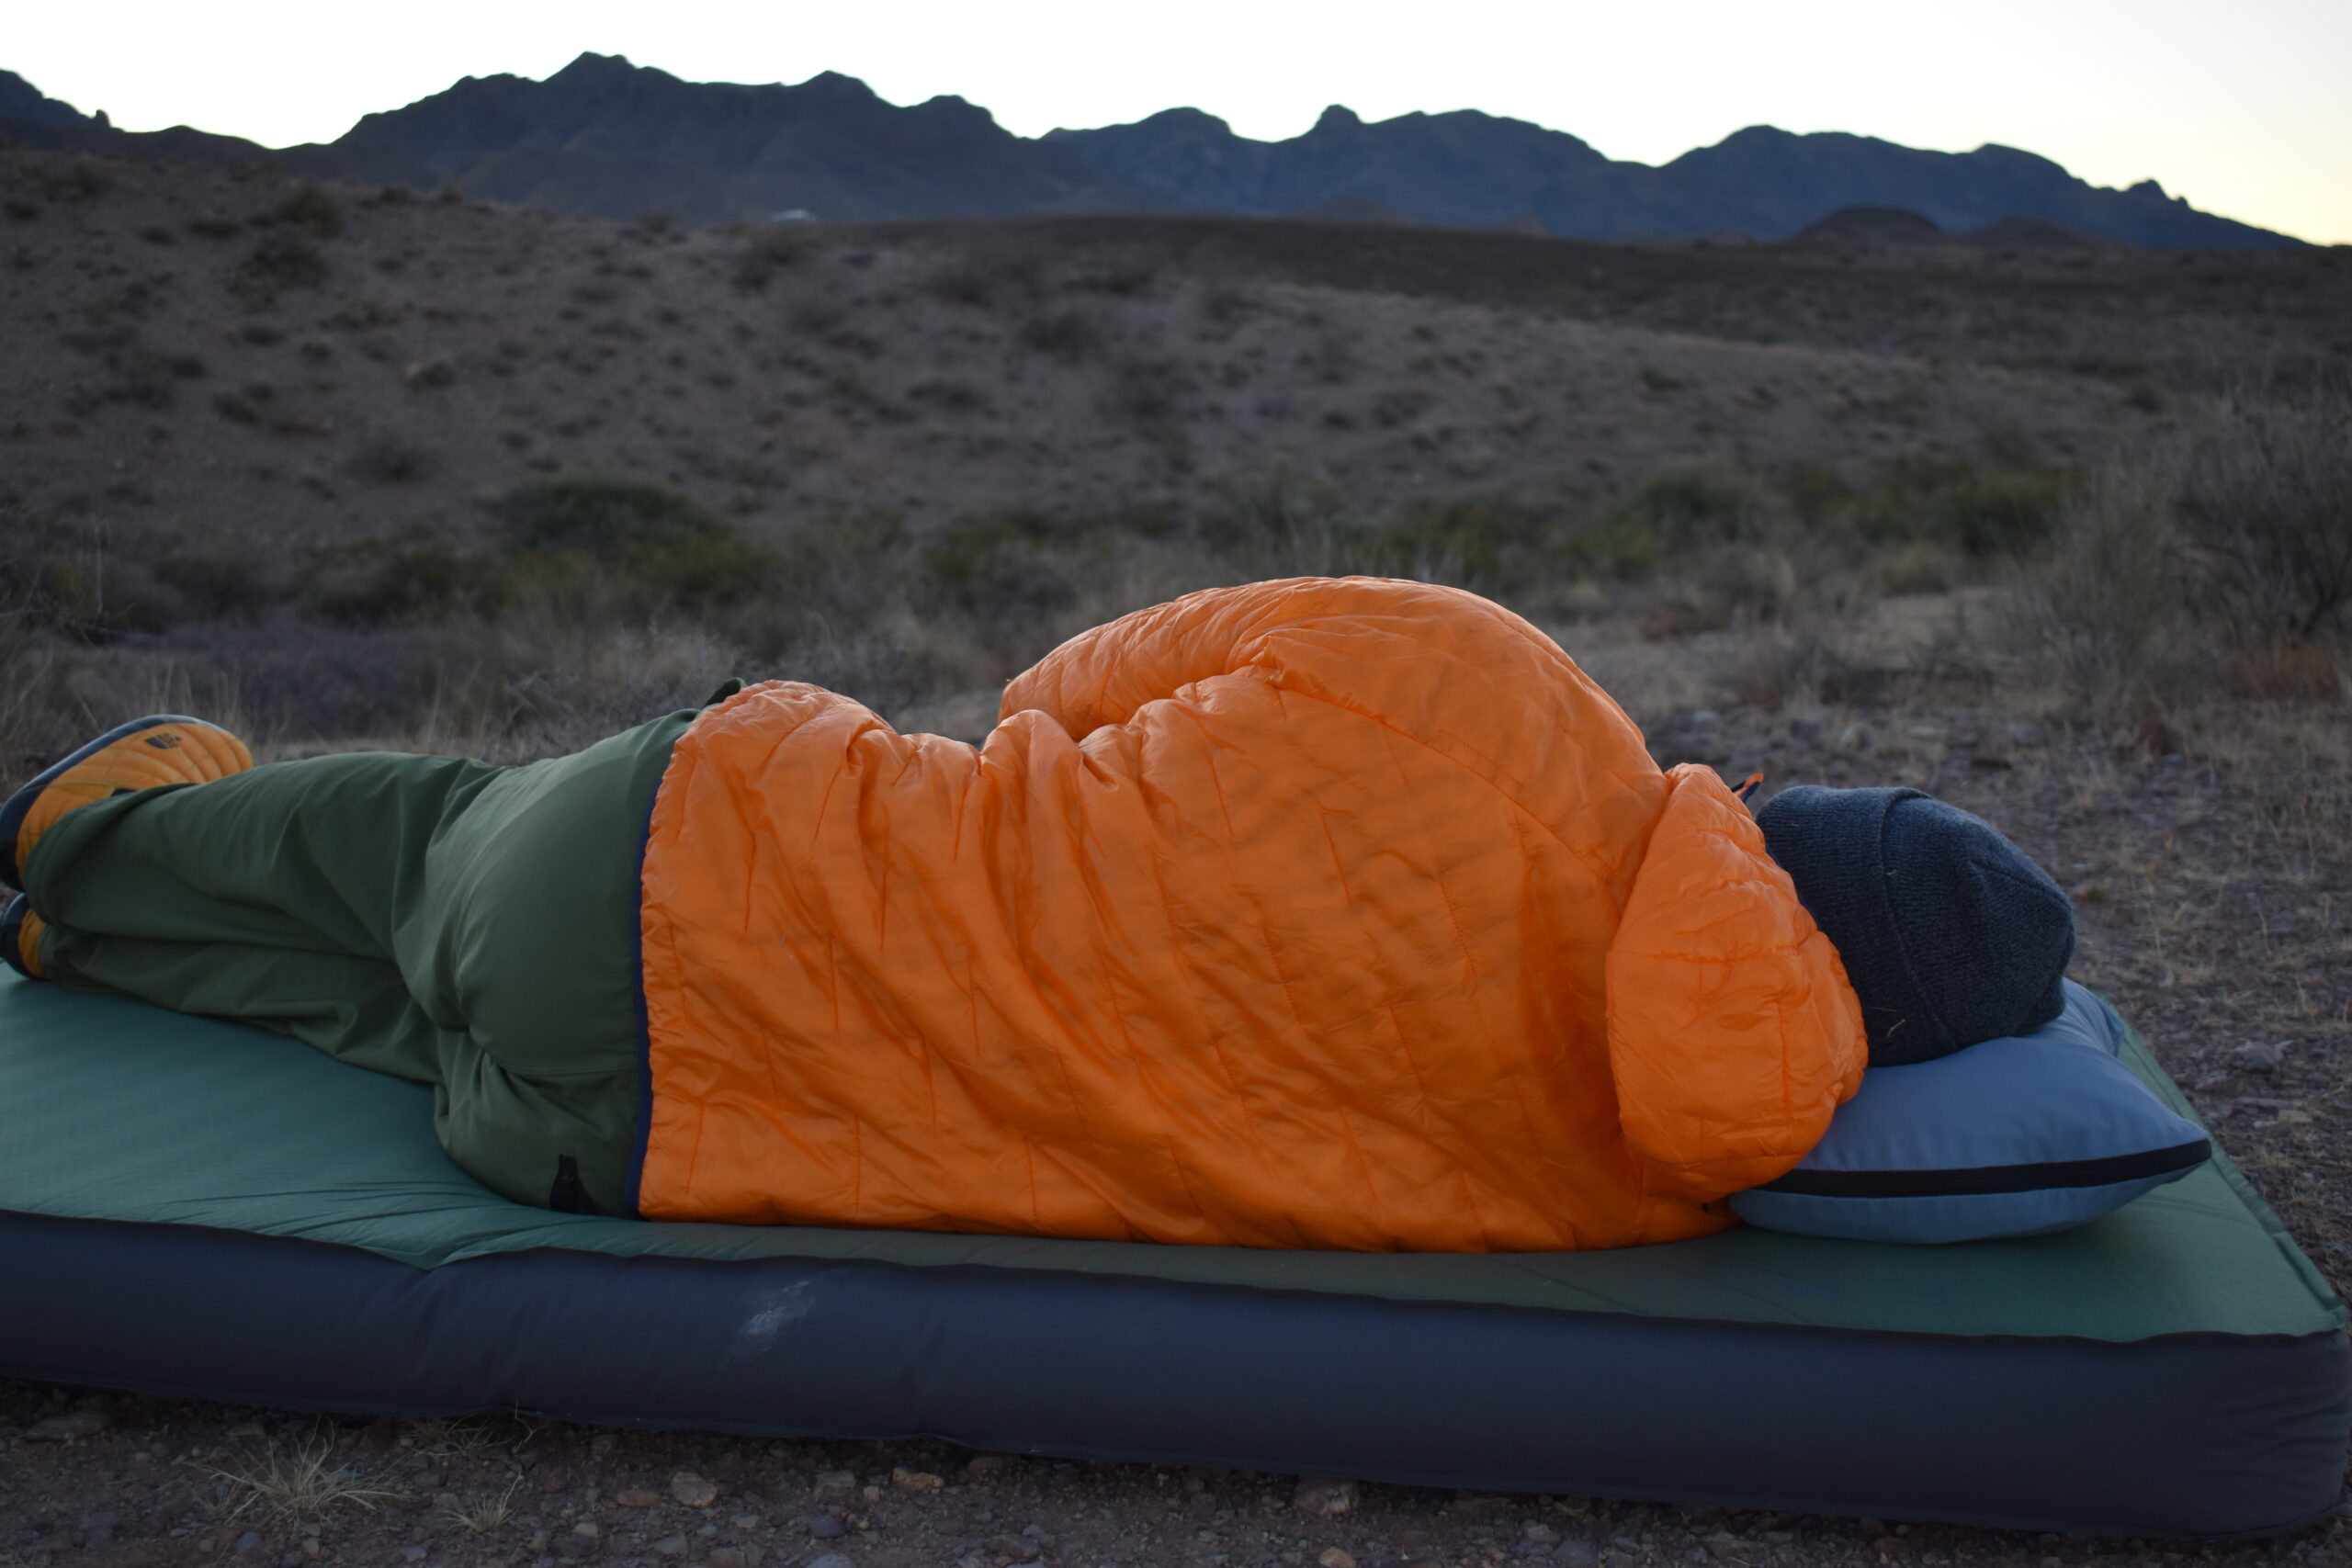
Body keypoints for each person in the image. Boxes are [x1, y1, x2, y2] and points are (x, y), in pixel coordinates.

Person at [0, 578, 2073, 1252]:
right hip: (615, 1146)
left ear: (1781, 830)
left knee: (413, 839)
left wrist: (1067, 815)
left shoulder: (1503, 687)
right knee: (388, 1017)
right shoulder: (1637, 1179)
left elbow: (1061, 687)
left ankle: (81, 837)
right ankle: (78, 940)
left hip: (680, 851)